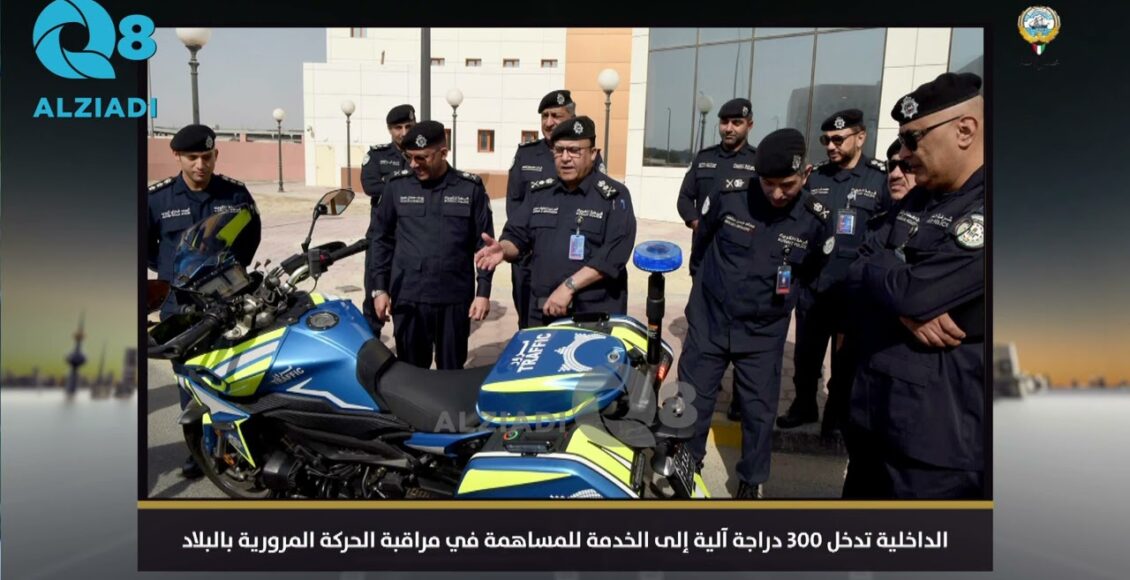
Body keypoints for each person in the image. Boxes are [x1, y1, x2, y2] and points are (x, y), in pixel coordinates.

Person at [843, 72, 986, 499]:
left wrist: (901, 289)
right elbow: (854, 268)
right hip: (874, 419)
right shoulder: (919, 199)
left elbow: (915, 291)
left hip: (936, 446)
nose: (903, 154)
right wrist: (902, 303)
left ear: (965, 130)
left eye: (913, 139)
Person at [679, 129, 830, 499]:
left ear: (806, 174)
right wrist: (704, 291)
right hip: (711, 319)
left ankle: (752, 478)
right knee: (694, 398)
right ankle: (687, 463)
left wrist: (782, 306)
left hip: (763, 331)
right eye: (768, 184)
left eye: (787, 185)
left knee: (759, 411)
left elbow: (814, 271)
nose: (777, 194)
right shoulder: (729, 194)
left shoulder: (816, 219)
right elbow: (701, 245)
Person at [147, 123, 260, 478]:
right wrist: (170, 273)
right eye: (192, 157)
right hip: (180, 307)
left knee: (232, 374)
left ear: (216, 155)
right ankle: (199, 452)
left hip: (226, 302)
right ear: (177, 156)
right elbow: (146, 248)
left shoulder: (235, 194)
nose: (201, 164)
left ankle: (234, 448)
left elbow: (249, 239)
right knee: (189, 383)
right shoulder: (157, 200)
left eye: (207, 156)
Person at [778, 109, 890, 437]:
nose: (831, 146)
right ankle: (804, 405)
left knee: (846, 361)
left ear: (860, 137)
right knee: (806, 356)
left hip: (853, 291)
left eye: (838, 139)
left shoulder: (879, 179)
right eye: (826, 140)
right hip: (815, 286)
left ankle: (837, 412)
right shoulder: (816, 177)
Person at [476, 116, 635, 327]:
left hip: (593, 315)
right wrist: (503, 250)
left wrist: (569, 287)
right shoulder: (540, 192)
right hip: (543, 312)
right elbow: (517, 235)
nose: (565, 158)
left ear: (593, 154)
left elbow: (613, 256)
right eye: (559, 150)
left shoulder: (614, 196)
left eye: (574, 150)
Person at [369, 120, 494, 369]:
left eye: (422, 158)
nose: (414, 164)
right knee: (411, 372)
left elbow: (485, 247)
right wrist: (379, 289)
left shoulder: (469, 188)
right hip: (409, 296)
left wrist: (483, 293)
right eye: (409, 157)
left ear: (443, 153)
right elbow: (381, 239)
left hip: (454, 298)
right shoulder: (396, 186)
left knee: (451, 371)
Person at [677, 97, 758, 421]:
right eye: (724, 122)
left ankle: (740, 397)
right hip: (705, 260)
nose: (729, 128)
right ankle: (702, 387)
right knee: (703, 326)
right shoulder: (705, 159)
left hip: (742, 264)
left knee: (740, 330)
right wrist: (697, 222)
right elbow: (685, 198)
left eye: (736, 123)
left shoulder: (758, 162)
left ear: (749, 125)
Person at [506, 90, 604, 330]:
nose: (549, 122)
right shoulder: (526, 154)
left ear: (572, 117)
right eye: (545, 116)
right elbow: (515, 204)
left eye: (556, 116)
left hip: (571, 262)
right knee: (529, 325)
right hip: (528, 260)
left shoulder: (587, 156)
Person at [361, 104, 416, 336]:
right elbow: (369, 185)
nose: (404, 132)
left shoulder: (422, 155)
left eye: (408, 126)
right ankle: (371, 343)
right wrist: (406, 188)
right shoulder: (378, 155)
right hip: (381, 236)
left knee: (410, 296)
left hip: (411, 237)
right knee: (375, 294)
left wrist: (392, 185)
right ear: (389, 129)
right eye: (398, 128)